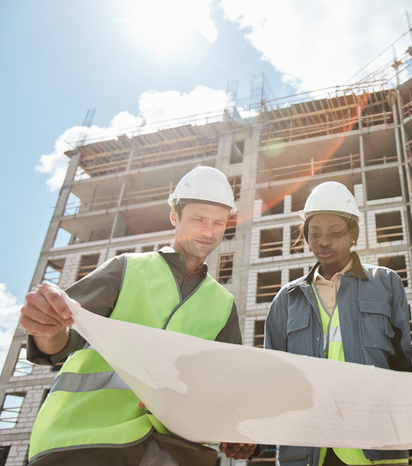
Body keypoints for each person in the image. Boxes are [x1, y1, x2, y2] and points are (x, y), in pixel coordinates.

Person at [21, 166, 257, 465]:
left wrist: (238, 432)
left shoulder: (223, 304)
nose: (209, 230)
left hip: (173, 452)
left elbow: (225, 390)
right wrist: (47, 326)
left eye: (219, 222)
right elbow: (59, 341)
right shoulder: (126, 269)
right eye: (198, 219)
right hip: (86, 440)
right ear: (175, 216)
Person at [223, 182, 412, 465]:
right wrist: (252, 436)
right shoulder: (286, 300)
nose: (324, 242)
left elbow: (405, 362)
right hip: (307, 454)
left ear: (353, 233)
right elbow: (272, 383)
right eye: (315, 234)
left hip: (377, 452)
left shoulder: (386, 284)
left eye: (335, 232)